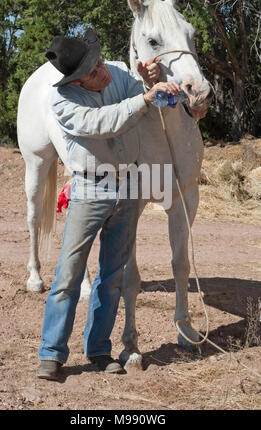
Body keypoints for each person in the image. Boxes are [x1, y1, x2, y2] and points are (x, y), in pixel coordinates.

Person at [37, 29, 181, 380]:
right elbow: (104, 123)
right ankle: (51, 354)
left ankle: (99, 350)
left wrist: (158, 88)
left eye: (99, 62)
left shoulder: (115, 71)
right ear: (75, 81)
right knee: (68, 275)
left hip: (129, 187)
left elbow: (143, 98)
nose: (102, 71)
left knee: (112, 276)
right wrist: (145, 99)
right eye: (92, 72)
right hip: (89, 190)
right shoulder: (63, 103)